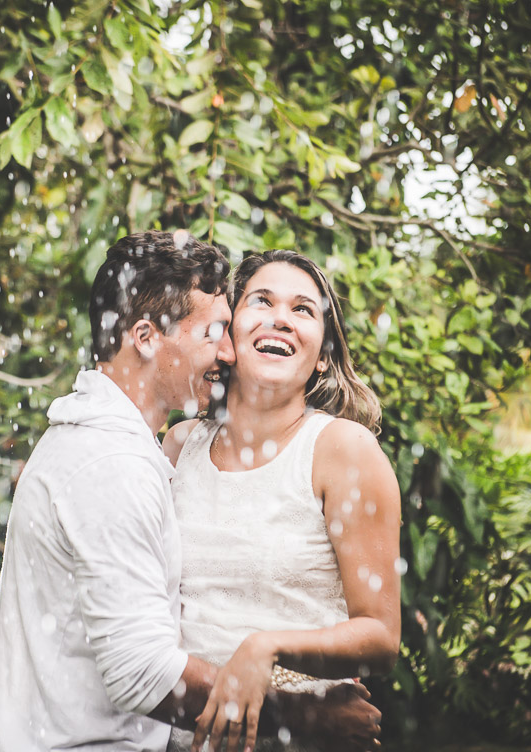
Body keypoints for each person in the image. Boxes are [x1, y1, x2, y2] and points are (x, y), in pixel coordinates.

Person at [0, 233, 381, 752]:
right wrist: (306, 720)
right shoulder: (112, 465)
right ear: (146, 337)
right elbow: (142, 674)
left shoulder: (113, 445)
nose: (228, 351)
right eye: (215, 332)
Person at [163, 250, 401, 752]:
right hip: (182, 738)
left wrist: (266, 648)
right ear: (228, 333)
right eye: (262, 301)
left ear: (323, 354)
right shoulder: (181, 446)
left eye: (303, 310)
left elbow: (380, 637)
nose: (281, 319)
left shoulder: (344, 451)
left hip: (304, 738)